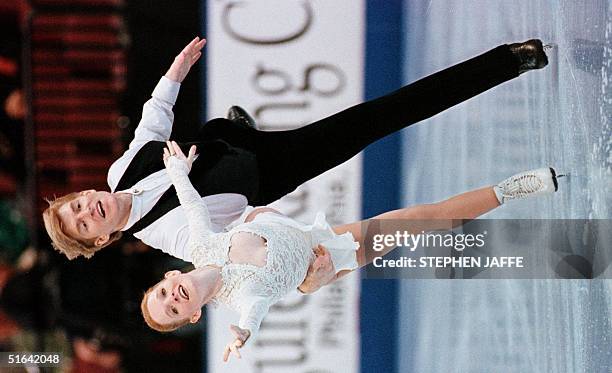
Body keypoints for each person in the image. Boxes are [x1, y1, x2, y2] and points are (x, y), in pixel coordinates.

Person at [43, 36, 550, 293]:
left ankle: (241, 124)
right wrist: (299, 254)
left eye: (78, 206)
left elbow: (152, 125)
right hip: (269, 172)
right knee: (378, 117)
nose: (89, 210)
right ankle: (512, 59)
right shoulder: (166, 235)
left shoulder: (119, 173)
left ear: (83, 192)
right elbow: (219, 248)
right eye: (85, 224)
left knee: (224, 127)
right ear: (102, 239)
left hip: (223, 140)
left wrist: (175, 72)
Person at [141, 141, 561, 361]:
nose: (172, 300)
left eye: (163, 295)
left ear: (169, 278)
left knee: (244, 187)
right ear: (194, 315)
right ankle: (510, 190)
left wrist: (178, 171)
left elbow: (193, 205)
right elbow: (253, 314)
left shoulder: (198, 244)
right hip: (323, 257)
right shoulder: (243, 299)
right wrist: (242, 335)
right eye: (175, 312)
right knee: (420, 220)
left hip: (272, 220)